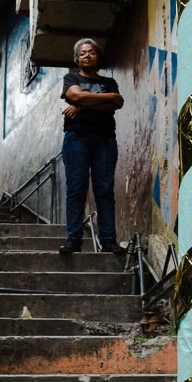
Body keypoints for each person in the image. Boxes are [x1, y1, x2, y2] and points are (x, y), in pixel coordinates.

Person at [59, 38, 126, 255]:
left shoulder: (109, 82)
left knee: (104, 190)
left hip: (105, 139)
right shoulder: (71, 78)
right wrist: (105, 99)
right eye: (82, 53)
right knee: (76, 189)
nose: (87, 55)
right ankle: (73, 240)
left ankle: (108, 241)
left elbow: (116, 104)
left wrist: (80, 106)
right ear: (77, 59)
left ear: (98, 57)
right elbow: (76, 95)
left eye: (91, 52)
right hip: (76, 138)